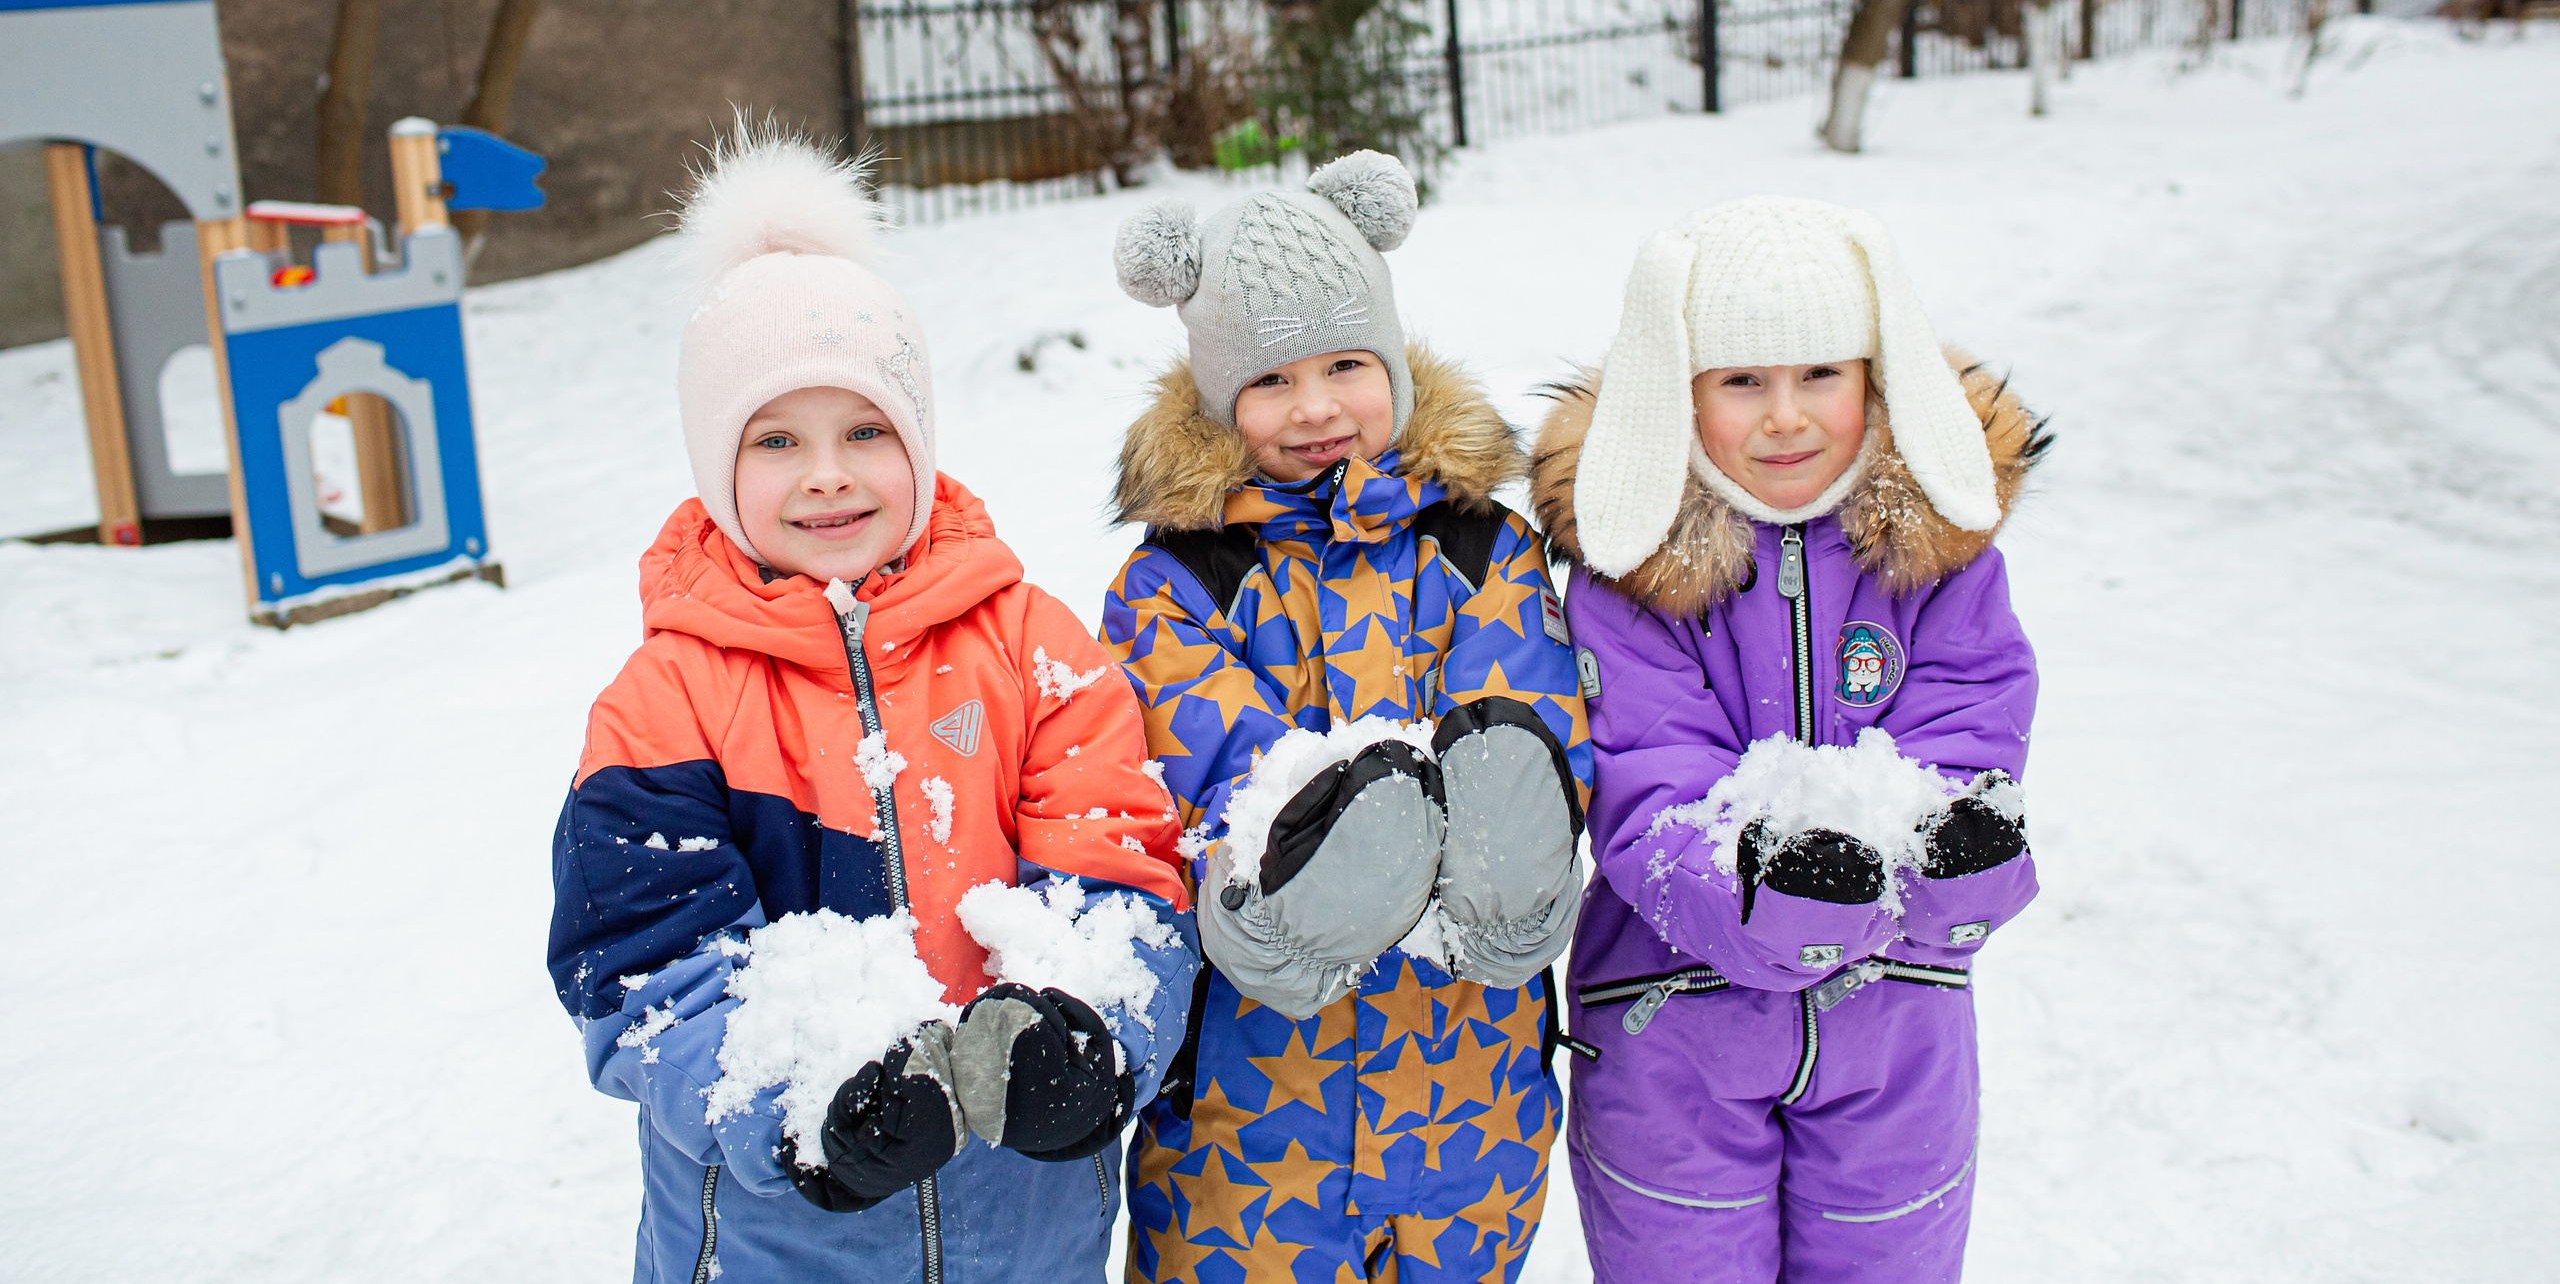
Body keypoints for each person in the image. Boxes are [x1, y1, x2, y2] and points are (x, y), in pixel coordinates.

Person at [547, 126, 1196, 1284]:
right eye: (776, 440)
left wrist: (1093, 1029)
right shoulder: (667, 702)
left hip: (1024, 1230)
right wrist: (800, 1100)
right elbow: (646, 966)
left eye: (864, 431)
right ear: (715, 465)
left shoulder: (1031, 647)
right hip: (774, 1242)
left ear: (919, 442)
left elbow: (1120, 877)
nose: (828, 473)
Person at [1530, 194, 2047, 1284]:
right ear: (1680, 392)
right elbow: (1648, 780)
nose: (1785, 417)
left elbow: (1970, 719)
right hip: (1674, 1033)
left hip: (1897, 1031)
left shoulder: (1942, 560)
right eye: (1741, 382)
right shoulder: (1629, 575)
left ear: (1877, 376)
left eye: (1820, 374)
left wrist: (1951, 846)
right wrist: (1763, 883)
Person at [1102, 150, 1589, 1284]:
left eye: (1346, 364)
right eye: (1271, 380)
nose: (1316, 407)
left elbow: (1530, 716)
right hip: (1250, 1116)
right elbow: (1201, 761)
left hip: (1470, 1094)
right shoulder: (1180, 582)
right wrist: (1316, 843)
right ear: (1218, 400)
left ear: (1395, 366)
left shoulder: (1482, 548)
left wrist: (1508, 837)